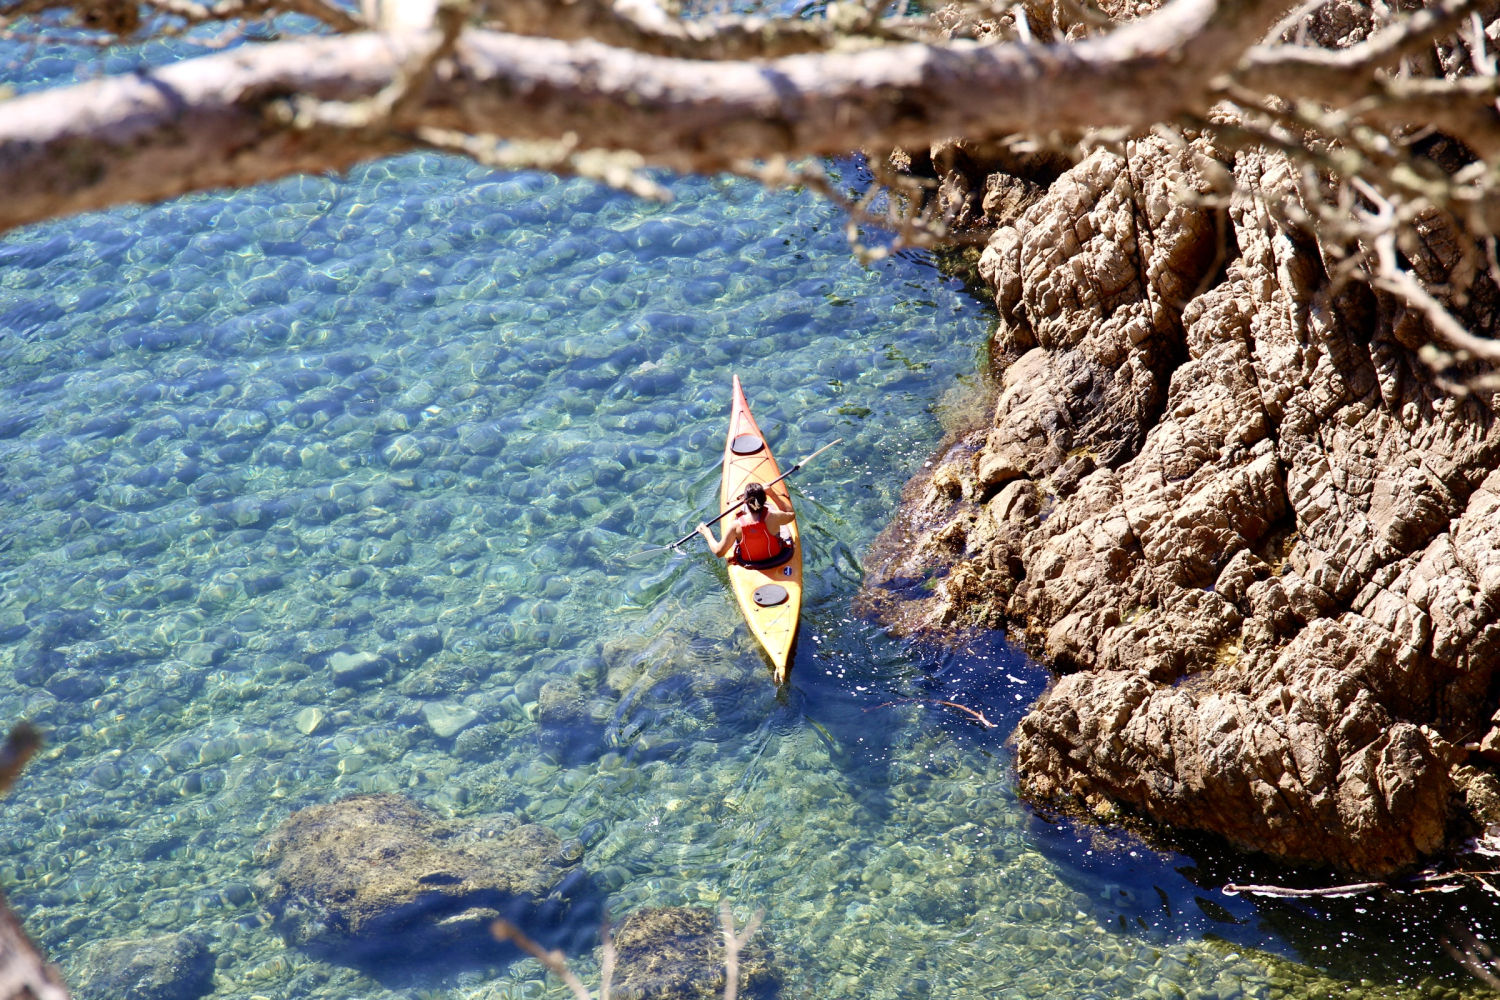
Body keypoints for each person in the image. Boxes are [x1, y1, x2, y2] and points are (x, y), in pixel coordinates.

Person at [697, 482, 794, 565]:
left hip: (749, 562)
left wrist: (707, 533)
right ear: (765, 499)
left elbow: (719, 552)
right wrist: (772, 494)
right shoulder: (775, 517)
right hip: (776, 557)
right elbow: (791, 514)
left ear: (745, 502)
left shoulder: (735, 526)